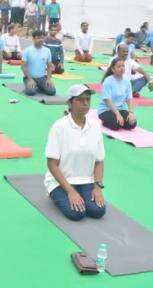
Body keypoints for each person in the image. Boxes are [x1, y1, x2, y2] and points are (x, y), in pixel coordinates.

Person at [45, 84, 106, 221]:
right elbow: (52, 164)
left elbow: (99, 161)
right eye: (80, 99)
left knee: (98, 211)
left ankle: (80, 194)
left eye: (88, 100)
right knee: (77, 213)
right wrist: (70, 191)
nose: (85, 103)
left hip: (86, 180)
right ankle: (56, 194)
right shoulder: (59, 127)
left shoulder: (95, 128)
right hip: (60, 182)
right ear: (70, 103)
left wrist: (97, 188)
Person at [98, 57, 137, 131]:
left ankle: (119, 121)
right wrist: (118, 115)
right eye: (119, 67)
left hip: (120, 109)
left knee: (132, 123)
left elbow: (129, 98)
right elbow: (107, 100)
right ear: (113, 69)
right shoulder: (108, 81)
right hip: (106, 110)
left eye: (123, 66)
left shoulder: (127, 81)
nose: (122, 68)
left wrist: (131, 113)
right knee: (116, 125)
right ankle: (105, 121)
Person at [22, 30, 55, 96]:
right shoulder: (27, 50)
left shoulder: (47, 51)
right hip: (30, 77)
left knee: (52, 92)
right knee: (30, 92)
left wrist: (48, 79)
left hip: (42, 78)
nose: (41, 40)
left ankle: (39, 86)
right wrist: (30, 79)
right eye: (38, 38)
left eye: (42, 38)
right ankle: (31, 85)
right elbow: (23, 67)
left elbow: (49, 66)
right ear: (33, 39)